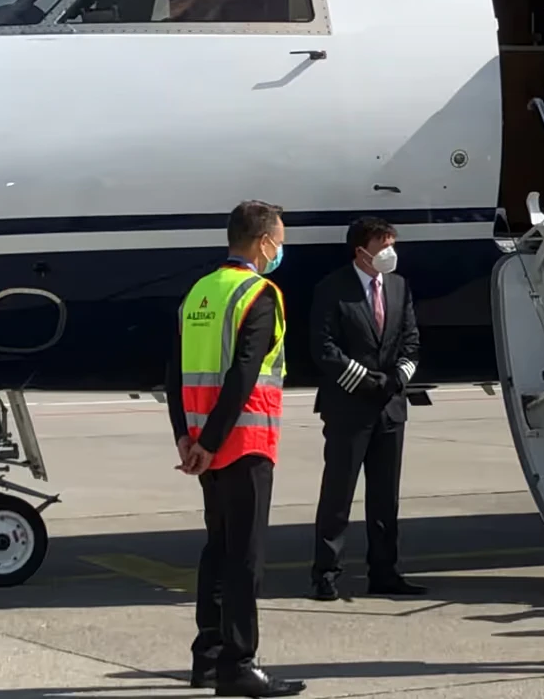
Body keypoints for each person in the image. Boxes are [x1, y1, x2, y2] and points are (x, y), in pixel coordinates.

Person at [166, 200, 305, 697]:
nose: (281, 249)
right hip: (243, 442)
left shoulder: (199, 292)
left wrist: (188, 437)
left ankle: (207, 656)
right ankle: (240, 664)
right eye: (279, 241)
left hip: (204, 444)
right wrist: (213, 440)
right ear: (263, 241)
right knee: (245, 557)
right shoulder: (259, 293)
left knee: (217, 549)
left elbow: (174, 372)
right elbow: (244, 374)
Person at [307, 216, 425, 601]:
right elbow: (324, 348)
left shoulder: (399, 286)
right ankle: (326, 572)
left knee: (384, 497)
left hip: (390, 408)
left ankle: (385, 572)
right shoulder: (333, 289)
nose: (390, 252)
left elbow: (411, 341)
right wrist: (366, 381)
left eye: (392, 243)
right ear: (361, 251)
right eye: (383, 244)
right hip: (348, 407)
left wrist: (396, 380)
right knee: (338, 495)